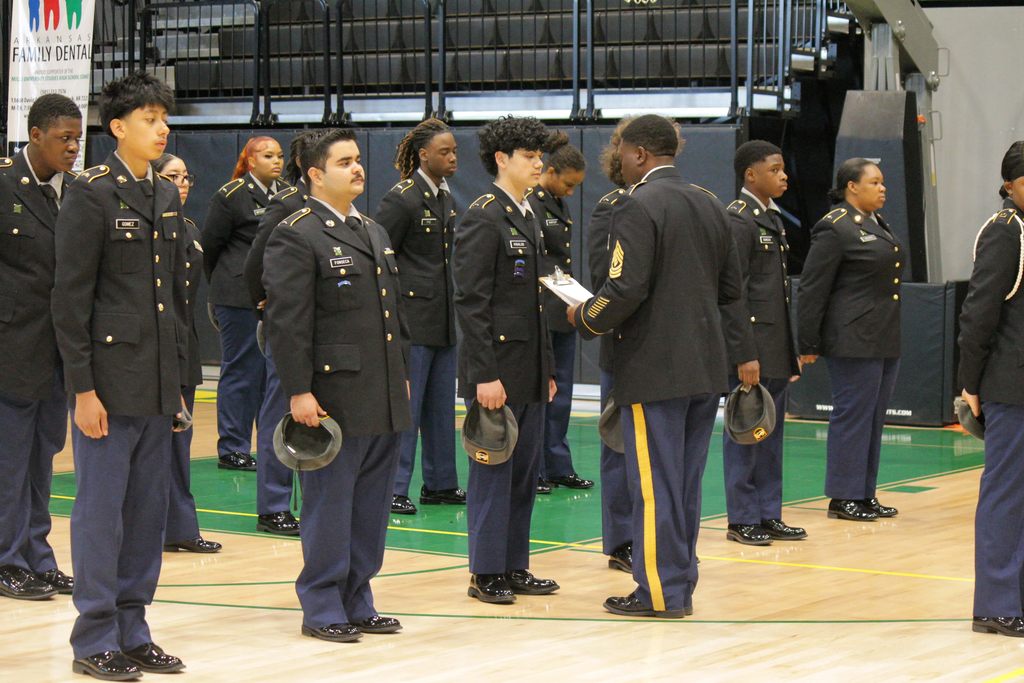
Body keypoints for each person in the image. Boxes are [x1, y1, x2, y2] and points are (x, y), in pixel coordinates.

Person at [568, 114, 743, 618]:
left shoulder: (638, 204)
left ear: (639, 154)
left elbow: (624, 288)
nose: (618, 161)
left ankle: (660, 594)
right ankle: (680, 584)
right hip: (705, 368)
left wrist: (584, 317)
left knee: (654, 487)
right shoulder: (711, 203)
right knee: (684, 487)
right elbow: (732, 291)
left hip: (653, 368)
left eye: (622, 151)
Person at [53, 71, 188, 679]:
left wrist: (179, 388)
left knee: (147, 514)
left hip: (156, 386)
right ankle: (94, 638)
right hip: (106, 385)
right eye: (149, 120)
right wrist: (82, 387)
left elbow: (172, 300)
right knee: (101, 513)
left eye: (165, 120)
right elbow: (70, 299)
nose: (162, 130)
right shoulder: (91, 192)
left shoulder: (164, 192)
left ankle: (134, 629)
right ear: (117, 127)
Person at [263, 128, 409, 643]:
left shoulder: (372, 229)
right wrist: (298, 391)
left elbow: (393, 317)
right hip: (332, 397)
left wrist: (402, 377)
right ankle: (323, 602)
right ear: (315, 174)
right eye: (344, 162)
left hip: (382, 390)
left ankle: (358, 597)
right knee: (330, 503)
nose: (357, 169)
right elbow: (288, 323)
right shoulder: (298, 232)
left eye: (357, 160)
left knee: (371, 504)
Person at [453, 116, 559, 604]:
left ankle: (515, 564)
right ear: (502, 159)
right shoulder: (483, 215)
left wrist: (549, 369)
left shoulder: (528, 211)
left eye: (540, 156)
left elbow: (535, 302)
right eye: (529, 156)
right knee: (494, 472)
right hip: (498, 368)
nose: (539, 163)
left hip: (531, 365)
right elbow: (472, 302)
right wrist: (484, 374)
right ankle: (486, 571)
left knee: (524, 474)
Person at [0, 94, 81, 600]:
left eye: (77, 138)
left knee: (43, 457)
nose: (73, 147)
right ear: (35, 136)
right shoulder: (4, 182)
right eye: (63, 138)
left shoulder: (75, 191)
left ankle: (37, 553)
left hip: (57, 352)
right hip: (11, 345)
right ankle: (7, 559)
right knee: (9, 460)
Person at [796, 158, 902, 522]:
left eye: (882, 182)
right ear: (852, 187)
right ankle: (843, 496)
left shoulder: (876, 222)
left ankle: (864, 492)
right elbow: (812, 288)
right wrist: (807, 343)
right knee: (853, 416)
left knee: (873, 418)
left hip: (882, 336)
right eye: (874, 182)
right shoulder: (835, 227)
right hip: (853, 338)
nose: (882, 188)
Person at [203, 136, 299, 536]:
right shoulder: (232, 195)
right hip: (235, 293)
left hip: (265, 296)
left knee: (266, 378)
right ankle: (233, 446)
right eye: (267, 155)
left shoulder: (284, 194)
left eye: (279, 156)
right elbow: (210, 245)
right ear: (248, 159)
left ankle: (254, 445)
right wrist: (220, 290)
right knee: (241, 371)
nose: (275, 161)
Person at [375, 118, 465, 515]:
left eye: (455, 151)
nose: (452, 158)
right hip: (412, 320)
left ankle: (441, 483)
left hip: (443, 318)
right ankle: (394, 487)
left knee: (441, 408)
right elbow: (382, 258)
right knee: (408, 410)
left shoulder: (446, 197)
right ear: (424, 154)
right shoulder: (403, 198)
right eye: (444, 152)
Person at [719, 141, 806, 545]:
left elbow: (777, 294)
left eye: (784, 168)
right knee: (745, 431)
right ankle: (742, 517)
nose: (783, 175)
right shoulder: (739, 220)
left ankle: (769, 513)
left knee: (770, 435)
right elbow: (733, 293)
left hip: (774, 344)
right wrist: (744, 353)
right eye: (775, 169)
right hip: (753, 347)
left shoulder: (771, 217)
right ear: (751, 175)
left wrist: (788, 353)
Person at [959, 141, 1024, 638]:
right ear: (1010, 183)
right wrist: (971, 384)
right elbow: (979, 314)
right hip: (1011, 386)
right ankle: (996, 604)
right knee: (1006, 495)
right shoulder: (1005, 232)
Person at [153, 153, 222, 554]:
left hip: (186, 345)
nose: (182, 182)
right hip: (155, 349)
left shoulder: (192, 229)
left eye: (185, 175)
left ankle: (179, 528)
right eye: (171, 175)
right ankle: (153, 527)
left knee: (180, 445)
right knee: (156, 447)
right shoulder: (149, 228)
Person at [526, 130, 593, 494]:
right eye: (567, 184)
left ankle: (558, 465)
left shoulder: (557, 202)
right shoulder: (532, 203)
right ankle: (535, 467)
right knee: (541, 392)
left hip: (562, 308)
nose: (571, 192)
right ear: (549, 172)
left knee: (562, 393)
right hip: (541, 309)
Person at [586, 119, 632, 573]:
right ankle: (621, 539)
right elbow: (606, 282)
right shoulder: (611, 208)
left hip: (664, 350)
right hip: (623, 346)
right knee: (618, 443)